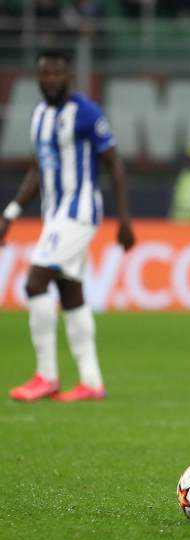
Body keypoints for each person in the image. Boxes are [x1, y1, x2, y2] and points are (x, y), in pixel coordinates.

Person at [1, 50, 135, 402]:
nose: (50, 79)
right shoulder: (39, 115)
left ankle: (46, 376)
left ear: (68, 76)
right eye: (44, 73)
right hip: (54, 214)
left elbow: (114, 164)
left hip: (79, 212)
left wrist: (124, 219)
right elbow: (38, 168)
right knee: (70, 292)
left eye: (56, 73)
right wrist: (12, 210)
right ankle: (91, 382)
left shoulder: (86, 113)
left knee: (34, 281)